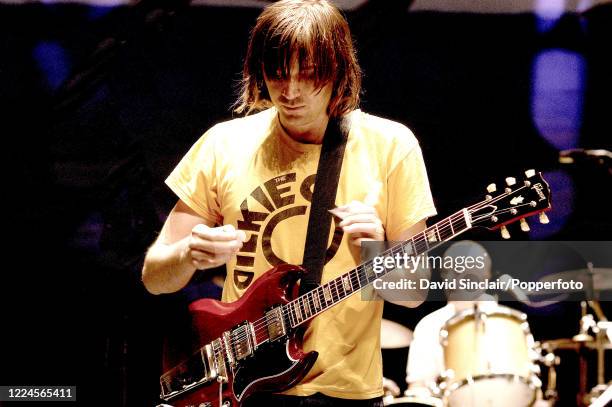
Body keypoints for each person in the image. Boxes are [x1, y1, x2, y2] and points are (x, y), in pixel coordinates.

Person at [142, 0, 437, 405]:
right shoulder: (223, 145)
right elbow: (154, 278)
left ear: (338, 71)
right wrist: (187, 254)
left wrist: (376, 250)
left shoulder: (390, 147)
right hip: (241, 386)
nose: (291, 92)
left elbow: (413, 291)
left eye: (309, 75)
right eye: (278, 74)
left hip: (343, 392)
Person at [405, 240, 495, 396]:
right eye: (448, 271)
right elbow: (417, 388)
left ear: (485, 275)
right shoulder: (429, 325)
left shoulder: (511, 323)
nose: (454, 279)